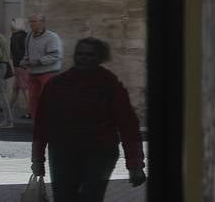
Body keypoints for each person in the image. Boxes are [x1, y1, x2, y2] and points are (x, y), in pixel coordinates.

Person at [31, 38, 145, 202]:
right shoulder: (57, 85)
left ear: (100, 58)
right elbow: (42, 123)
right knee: (63, 197)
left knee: (92, 197)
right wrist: (37, 158)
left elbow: (128, 125)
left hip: (100, 152)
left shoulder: (110, 86)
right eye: (80, 54)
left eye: (90, 55)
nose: (84, 58)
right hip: (63, 152)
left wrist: (135, 164)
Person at [20, 13, 63, 118]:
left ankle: (49, 123)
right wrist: (24, 61)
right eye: (30, 21)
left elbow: (55, 55)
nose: (31, 24)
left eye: (34, 21)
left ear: (42, 23)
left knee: (47, 99)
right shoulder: (29, 36)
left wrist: (38, 61)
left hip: (48, 73)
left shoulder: (51, 37)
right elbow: (27, 54)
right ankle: (36, 123)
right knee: (33, 100)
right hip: (33, 73)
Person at [8, 17, 31, 120]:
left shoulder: (15, 37)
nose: (10, 26)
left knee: (25, 89)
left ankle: (31, 111)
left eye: (12, 24)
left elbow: (15, 54)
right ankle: (7, 107)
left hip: (19, 66)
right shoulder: (25, 35)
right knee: (15, 88)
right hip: (23, 66)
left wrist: (16, 67)